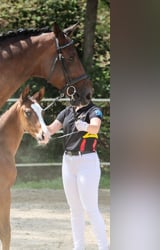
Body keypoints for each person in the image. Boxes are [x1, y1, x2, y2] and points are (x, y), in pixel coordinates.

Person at [46, 96, 109, 250]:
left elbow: (95, 128)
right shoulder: (67, 111)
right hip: (68, 161)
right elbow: (51, 129)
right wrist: (39, 125)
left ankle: (103, 246)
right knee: (74, 209)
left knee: (90, 207)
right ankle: (78, 246)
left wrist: (85, 126)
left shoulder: (94, 110)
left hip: (86, 161)